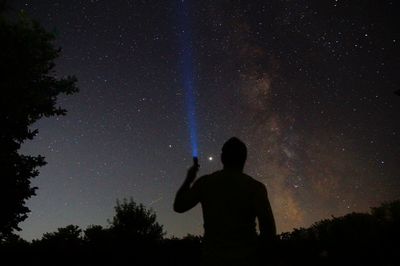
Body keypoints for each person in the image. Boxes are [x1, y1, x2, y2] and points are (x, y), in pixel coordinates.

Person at [174, 137, 276, 266]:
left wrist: (189, 179)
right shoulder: (255, 187)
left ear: (222, 158)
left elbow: (179, 206)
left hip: (212, 259)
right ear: (244, 159)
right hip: (247, 260)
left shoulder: (205, 183)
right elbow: (268, 228)